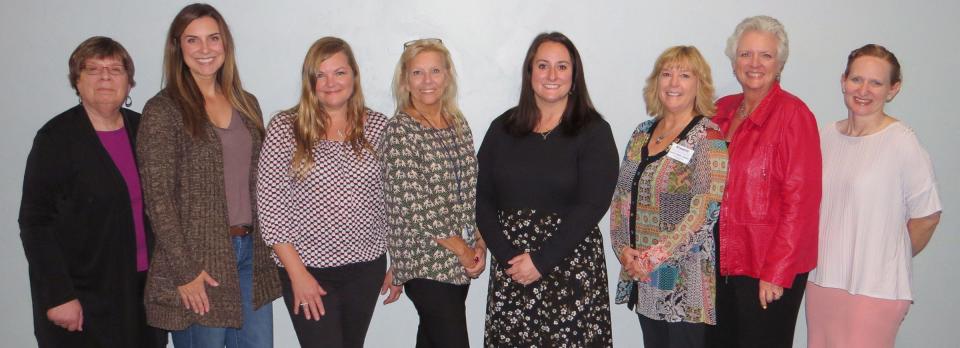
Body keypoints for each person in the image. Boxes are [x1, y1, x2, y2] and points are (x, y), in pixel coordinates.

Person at [137, 4, 280, 347]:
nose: (205, 49)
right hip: (199, 262)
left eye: (213, 38)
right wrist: (185, 271)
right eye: (193, 40)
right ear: (178, 48)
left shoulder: (247, 104)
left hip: (250, 256)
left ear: (225, 44)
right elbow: (158, 201)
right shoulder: (163, 110)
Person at [18, 36, 167, 348]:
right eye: (93, 70)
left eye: (115, 69)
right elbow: (35, 223)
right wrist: (59, 295)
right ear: (77, 80)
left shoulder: (144, 129)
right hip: (83, 297)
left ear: (129, 81)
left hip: (144, 293)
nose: (105, 78)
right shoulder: (56, 139)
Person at [476, 32, 618, 347]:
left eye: (561, 67)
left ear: (574, 75)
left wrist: (542, 261)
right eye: (543, 65)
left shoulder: (594, 131)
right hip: (513, 268)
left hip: (571, 268)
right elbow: (481, 197)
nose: (552, 75)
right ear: (530, 74)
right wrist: (509, 257)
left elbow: (593, 204)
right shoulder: (502, 129)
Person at [257, 37, 394, 348]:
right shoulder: (285, 128)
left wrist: (398, 261)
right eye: (321, 74)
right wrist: (297, 274)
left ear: (354, 77)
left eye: (340, 73)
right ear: (310, 81)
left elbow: (395, 199)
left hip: (366, 267)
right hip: (308, 270)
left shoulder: (379, 128)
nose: (331, 83)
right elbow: (271, 206)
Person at [805, 44, 942, 348]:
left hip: (875, 288)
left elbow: (928, 215)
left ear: (893, 90)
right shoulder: (826, 136)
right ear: (844, 81)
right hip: (822, 281)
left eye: (876, 83)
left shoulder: (902, 143)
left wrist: (887, 257)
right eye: (857, 79)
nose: (863, 90)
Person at [709, 15, 822, 348]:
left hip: (765, 267)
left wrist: (777, 272)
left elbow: (801, 204)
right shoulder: (721, 111)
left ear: (780, 63)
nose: (754, 63)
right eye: (745, 54)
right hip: (718, 263)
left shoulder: (794, 116)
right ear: (734, 62)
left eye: (765, 55)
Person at [610, 45, 727, 348]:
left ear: (698, 85)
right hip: (645, 280)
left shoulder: (707, 137)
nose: (674, 83)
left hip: (684, 283)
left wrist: (652, 259)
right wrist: (623, 250)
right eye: (667, 74)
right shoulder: (641, 133)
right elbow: (622, 198)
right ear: (656, 82)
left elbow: (704, 213)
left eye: (685, 75)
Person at [381, 38, 487, 348]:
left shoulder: (457, 124)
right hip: (426, 264)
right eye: (417, 73)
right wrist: (464, 250)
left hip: (459, 262)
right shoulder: (400, 130)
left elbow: (470, 188)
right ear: (405, 80)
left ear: (448, 75)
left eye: (435, 71)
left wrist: (479, 241)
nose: (428, 81)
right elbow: (415, 207)